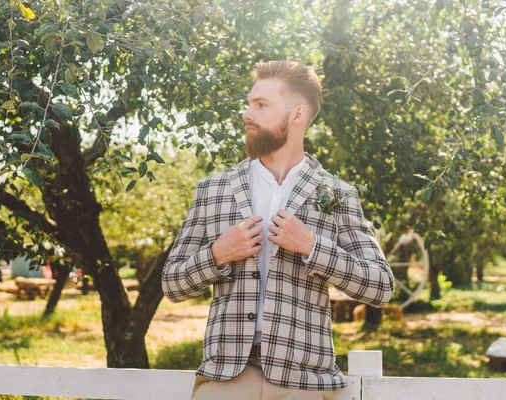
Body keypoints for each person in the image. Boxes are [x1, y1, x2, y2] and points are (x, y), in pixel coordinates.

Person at [162, 60, 395, 400]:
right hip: (226, 380)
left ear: (297, 114)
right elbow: (172, 284)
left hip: (304, 381)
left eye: (261, 105)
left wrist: (313, 247)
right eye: (249, 103)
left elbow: (381, 287)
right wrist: (217, 255)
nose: (247, 114)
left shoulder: (337, 194)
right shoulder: (212, 189)